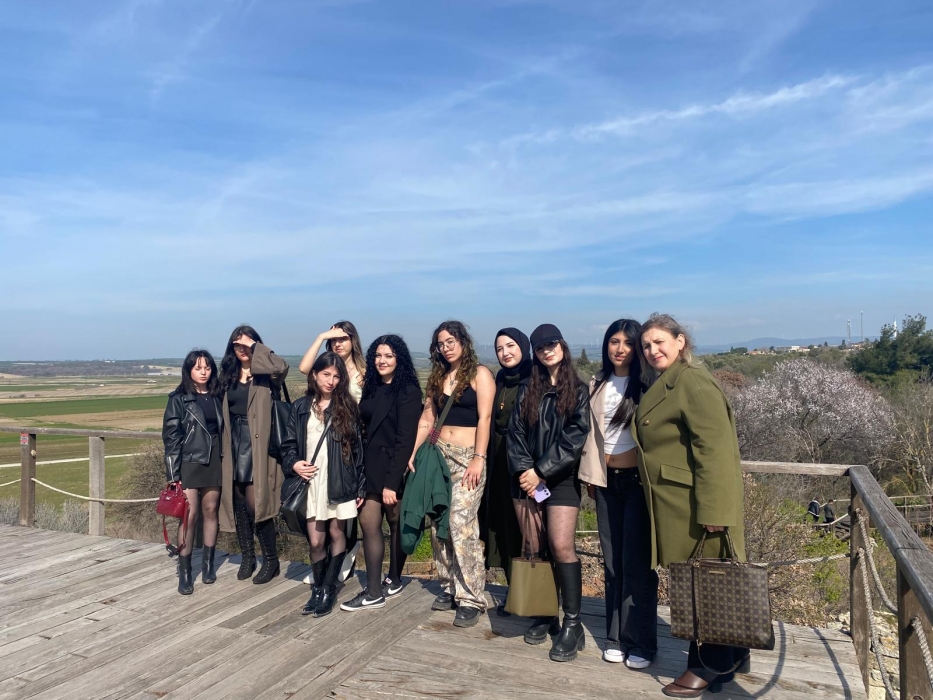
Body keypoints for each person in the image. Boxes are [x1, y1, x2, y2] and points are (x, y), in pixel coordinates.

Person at [634, 314, 748, 697]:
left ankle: (704, 667)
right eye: (646, 345)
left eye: (659, 342)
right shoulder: (674, 380)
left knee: (705, 589)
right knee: (701, 585)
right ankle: (727, 662)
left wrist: (716, 512)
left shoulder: (693, 382)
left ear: (680, 341)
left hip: (696, 506)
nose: (652, 350)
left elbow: (715, 452)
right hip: (679, 503)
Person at [507, 324, 591, 662]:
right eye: (540, 347)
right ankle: (545, 613)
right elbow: (515, 433)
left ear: (562, 346)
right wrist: (526, 472)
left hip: (560, 480)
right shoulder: (528, 388)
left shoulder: (579, 391)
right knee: (535, 545)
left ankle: (572, 623)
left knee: (561, 545)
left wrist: (541, 471)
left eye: (552, 344)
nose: (546, 350)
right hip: (528, 479)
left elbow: (575, 437)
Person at [579, 319, 657, 669]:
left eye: (628, 342)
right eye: (614, 341)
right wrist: (591, 477)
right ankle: (615, 637)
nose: (620, 348)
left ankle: (641, 641)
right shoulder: (597, 383)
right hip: (605, 483)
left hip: (639, 483)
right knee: (612, 564)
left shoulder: (649, 385)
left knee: (637, 565)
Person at [409, 320, 495, 627]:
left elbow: (485, 418)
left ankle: (471, 596)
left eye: (450, 341)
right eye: (441, 344)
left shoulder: (480, 374)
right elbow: (427, 418)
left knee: (461, 524)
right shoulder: (438, 376)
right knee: (439, 522)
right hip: (439, 455)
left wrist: (479, 458)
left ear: (463, 342)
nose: (446, 348)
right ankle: (448, 586)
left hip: (468, 457)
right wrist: (414, 452)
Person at [341, 335, 422, 612]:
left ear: (399, 358)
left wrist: (392, 482)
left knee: (397, 524)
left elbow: (405, 439)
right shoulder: (373, 386)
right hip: (369, 465)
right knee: (369, 524)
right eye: (377, 355)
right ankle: (374, 591)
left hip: (393, 468)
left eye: (388, 356)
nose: (382, 361)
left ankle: (395, 578)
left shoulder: (408, 391)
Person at [281, 352, 365, 617]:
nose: (331, 380)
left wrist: (360, 486)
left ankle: (328, 589)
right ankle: (318, 587)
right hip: (311, 482)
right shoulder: (300, 407)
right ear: (315, 375)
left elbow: (358, 450)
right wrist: (294, 464)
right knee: (316, 540)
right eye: (326, 374)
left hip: (340, 481)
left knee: (338, 535)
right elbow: (287, 445)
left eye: (336, 376)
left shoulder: (347, 407)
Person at [218, 325, 289, 585]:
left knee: (256, 503)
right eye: (237, 344)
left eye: (248, 344)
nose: (242, 349)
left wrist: (256, 348)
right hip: (233, 443)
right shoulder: (227, 376)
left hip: (258, 444)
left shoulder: (266, 375)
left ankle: (271, 559)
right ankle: (248, 556)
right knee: (239, 504)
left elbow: (281, 367)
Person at [162, 349, 224, 595]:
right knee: (189, 515)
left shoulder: (218, 395)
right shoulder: (178, 399)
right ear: (188, 371)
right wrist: (172, 475)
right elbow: (171, 438)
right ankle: (185, 571)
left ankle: (208, 566)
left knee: (211, 510)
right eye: (198, 368)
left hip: (215, 460)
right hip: (189, 461)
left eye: (207, 367)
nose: (203, 372)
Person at [481, 328, 530, 614]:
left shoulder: (534, 378)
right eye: (499, 348)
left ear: (523, 346)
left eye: (510, 346)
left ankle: (538, 596)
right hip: (498, 461)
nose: (505, 352)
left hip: (525, 465)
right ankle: (515, 592)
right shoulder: (500, 378)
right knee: (506, 526)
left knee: (530, 529)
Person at [298, 321, 366, 402]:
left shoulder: (363, 372)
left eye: (343, 339)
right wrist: (321, 337)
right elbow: (304, 368)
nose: (337, 344)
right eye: (333, 340)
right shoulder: (326, 367)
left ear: (353, 341)